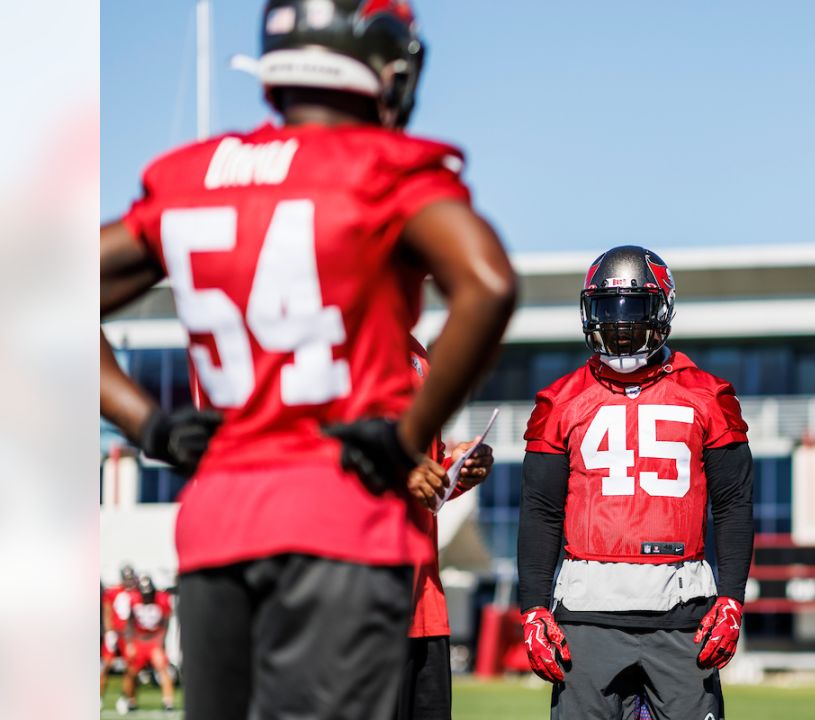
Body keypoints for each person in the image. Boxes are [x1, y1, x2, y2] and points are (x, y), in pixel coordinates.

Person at [98, 1, 518, 717]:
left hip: (218, 530)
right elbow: (488, 282)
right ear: (382, 59)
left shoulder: (195, 176)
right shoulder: (380, 169)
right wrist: (407, 435)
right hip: (341, 527)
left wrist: (150, 427)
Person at [518, 246, 755, 719]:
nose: (620, 325)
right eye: (608, 311)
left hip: (682, 609)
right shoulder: (560, 402)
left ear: (663, 310)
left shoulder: (707, 395)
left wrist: (731, 599)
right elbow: (540, 510)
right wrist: (532, 608)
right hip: (586, 613)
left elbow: (734, 504)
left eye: (634, 311)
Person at [398, 338, 494, 720]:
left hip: (425, 606)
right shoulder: (338, 342)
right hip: (361, 611)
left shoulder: (417, 354)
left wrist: (458, 469)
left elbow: (427, 475)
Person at [118, 575, 177, 715]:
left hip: (153, 640)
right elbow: (129, 623)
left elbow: (165, 622)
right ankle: (130, 700)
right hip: (138, 639)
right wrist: (129, 643)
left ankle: (168, 702)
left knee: (162, 667)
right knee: (131, 671)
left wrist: (161, 642)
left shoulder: (161, 599)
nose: (147, 597)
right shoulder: (133, 599)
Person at [101, 565, 138, 705]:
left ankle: (127, 698)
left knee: (131, 667)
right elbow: (107, 612)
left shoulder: (136, 592)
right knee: (105, 665)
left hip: (129, 635)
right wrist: (109, 632)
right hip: (115, 633)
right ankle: (98, 696)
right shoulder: (113, 592)